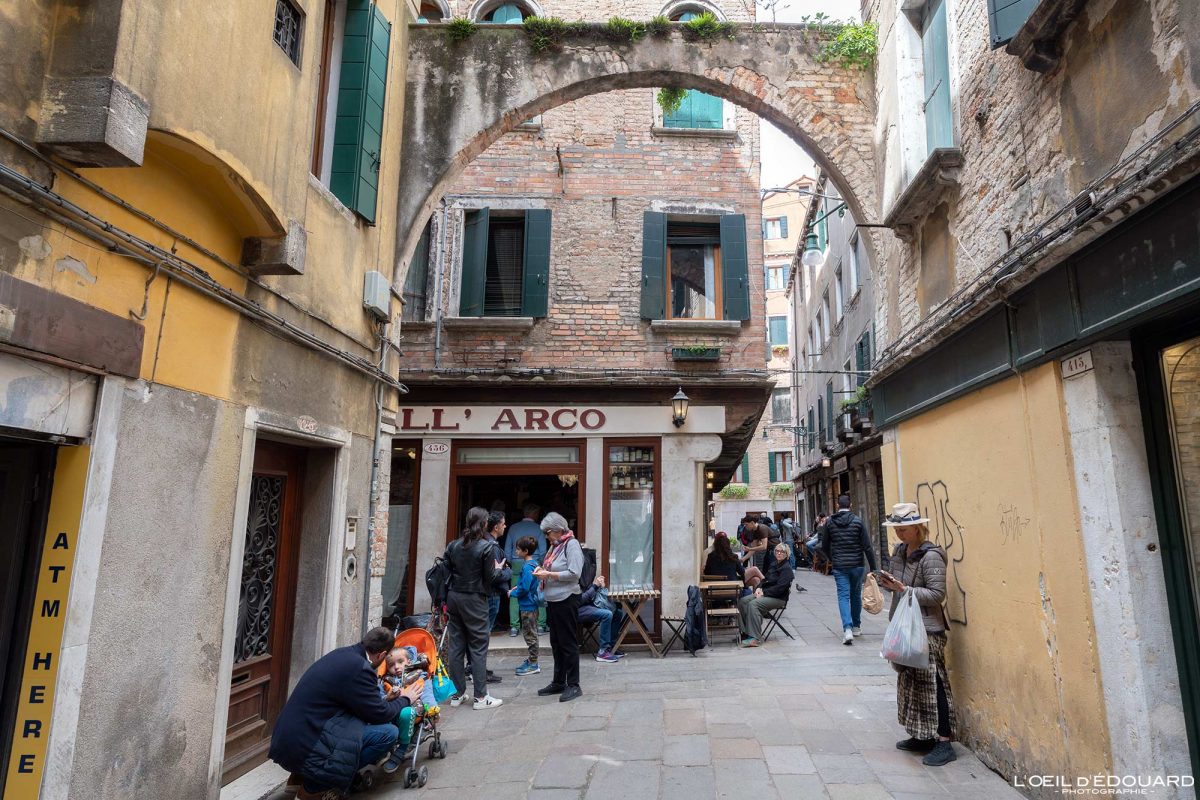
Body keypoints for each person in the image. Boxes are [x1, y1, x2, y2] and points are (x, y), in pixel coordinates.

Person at [269, 627, 422, 799]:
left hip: (288, 738)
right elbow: (379, 714)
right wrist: (406, 699)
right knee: (388, 733)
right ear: (381, 655)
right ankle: (316, 788)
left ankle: (300, 776)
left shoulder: (342, 654)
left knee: (357, 725)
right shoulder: (361, 669)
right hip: (307, 742)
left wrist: (386, 698)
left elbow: (360, 704)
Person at [876, 502, 956, 767]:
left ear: (917, 527)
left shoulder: (931, 556)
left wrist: (904, 590)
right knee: (911, 683)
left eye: (904, 528)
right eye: (896, 528)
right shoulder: (899, 551)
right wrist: (885, 583)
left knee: (934, 682)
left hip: (926, 627)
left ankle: (944, 741)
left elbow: (937, 595)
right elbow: (899, 586)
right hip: (904, 625)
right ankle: (922, 735)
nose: (899, 533)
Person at [444, 507, 503, 709]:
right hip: (474, 599)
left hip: (454, 597)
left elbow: (447, 571)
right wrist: (500, 569)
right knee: (478, 647)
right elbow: (491, 578)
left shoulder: (453, 545)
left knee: (456, 646)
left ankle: (457, 694)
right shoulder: (486, 547)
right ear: (485, 524)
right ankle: (480, 697)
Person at [533, 511, 584, 702]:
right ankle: (558, 681)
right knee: (556, 642)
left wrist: (549, 575)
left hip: (567, 599)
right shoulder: (555, 546)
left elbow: (574, 572)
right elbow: (551, 567)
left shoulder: (571, 545)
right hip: (553, 600)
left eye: (547, 533)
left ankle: (573, 684)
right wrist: (542, 571)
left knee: (568, 643)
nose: (546, 536)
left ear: (557, 530)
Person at [821, 494, 878, 645]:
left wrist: (832, 559)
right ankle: (856, 627)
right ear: (850, 505)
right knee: (855, 595)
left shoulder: (830, 523)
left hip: (840, 566)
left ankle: (847, 628)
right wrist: (874, 568)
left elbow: (824, 546)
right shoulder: (858, 522)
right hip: (858, 565)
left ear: (837, 505)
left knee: (843, 596)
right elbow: (867, 546)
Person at [378, 647, 437, 772]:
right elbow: (378, 699)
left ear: (409, 662)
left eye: (400, 662)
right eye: (391, 665)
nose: (396, 667)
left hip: (413, 711)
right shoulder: (385, 681)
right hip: (391, 711)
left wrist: (432, 710)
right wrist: (387, 697)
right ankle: (382, 749)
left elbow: (427, 694)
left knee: (406, 713)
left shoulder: (419, 676)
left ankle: (402, 747)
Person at [737, 543, 794, 647]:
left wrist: (764, 593)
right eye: (777, 551)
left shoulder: (787, 569)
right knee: (742, 602)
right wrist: (759, 588)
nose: (779, 553)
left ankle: (755, 638)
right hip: (766, 594)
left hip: (778, 598)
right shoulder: (773, 564)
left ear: (786, 554)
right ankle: (746, 632)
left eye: (782, 552)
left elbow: (780, 589)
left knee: (753, 604)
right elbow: (764, 579)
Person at [505, 503, 548, 636]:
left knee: (514, 593)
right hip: (534, 563)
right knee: (537, 591)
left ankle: (514, 627)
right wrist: (538, 564)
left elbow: (507, 549)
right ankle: (540, 625)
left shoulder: (513, 528)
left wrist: (513, 561)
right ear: (535, 514)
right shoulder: (539, 529)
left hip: (516, 563)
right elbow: (543, 550)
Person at [508, 535, 542, 676]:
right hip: (531, 604)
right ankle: (531, 660)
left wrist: (513, 593)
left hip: (527, 606)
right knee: (531, 633)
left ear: (525, 551)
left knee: (530, 635)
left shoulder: (527, 567)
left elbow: (525, 587)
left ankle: (533, 663)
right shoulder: (533, 564)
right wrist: (516, 588)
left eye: (518, 549)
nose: (516, 552)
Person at [579, 575, 626, 663]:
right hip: (578, 610)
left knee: (618, 613)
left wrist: (600, 587)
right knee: (607, 614)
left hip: (590, 605)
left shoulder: (584, 577)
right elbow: (581, 601)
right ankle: (603, 651)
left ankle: (611, 647)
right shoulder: (574, 582)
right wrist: (595, 586)